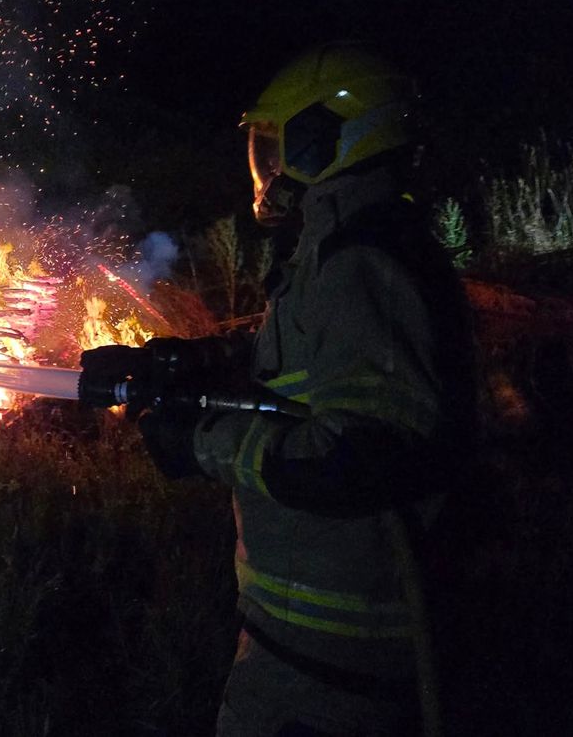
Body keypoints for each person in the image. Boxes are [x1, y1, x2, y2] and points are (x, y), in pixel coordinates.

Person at [79, 42, 477, 737]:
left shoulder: (363, 262)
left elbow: (361, 456)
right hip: (305, 648)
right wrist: (186, 362)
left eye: (276, 144)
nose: (265, 168)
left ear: (328, 137)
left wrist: (200, 443)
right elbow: (301, 365)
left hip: (333, 669)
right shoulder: (343, 250)